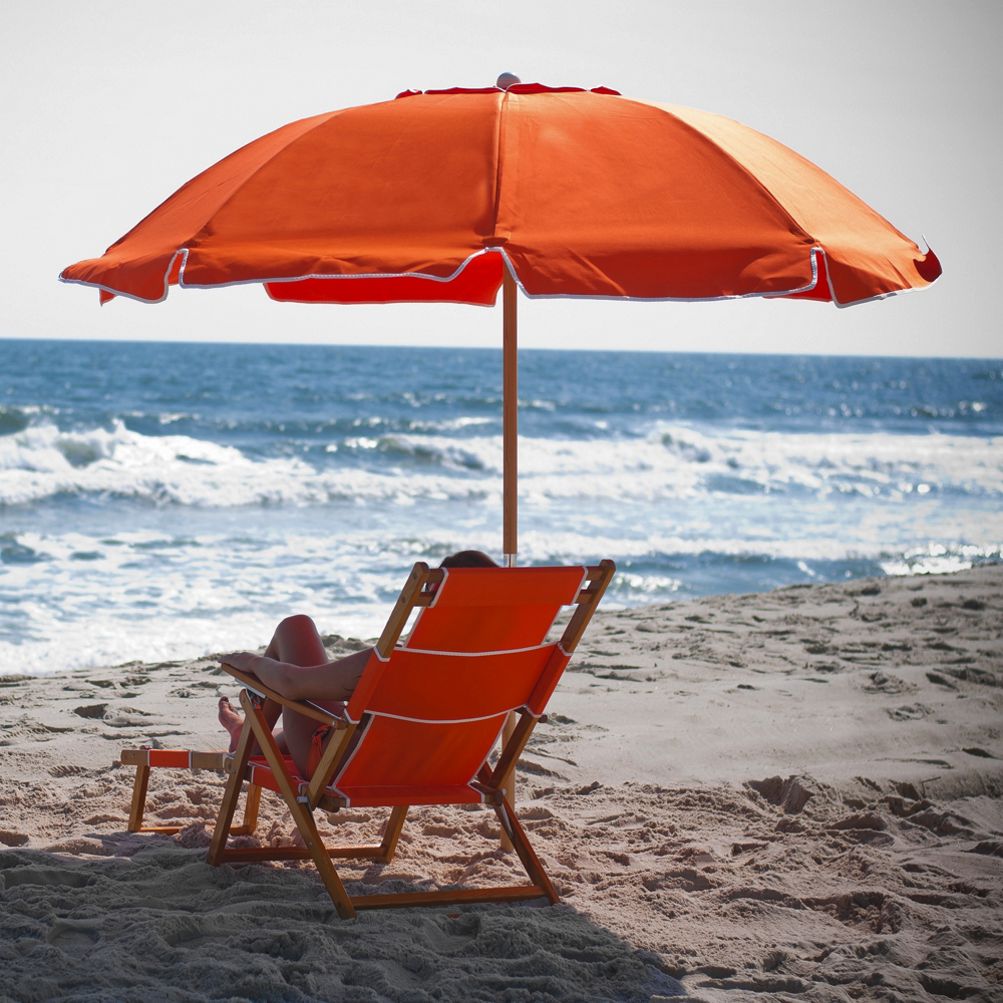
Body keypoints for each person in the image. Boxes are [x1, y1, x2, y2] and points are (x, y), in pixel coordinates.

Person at [217, 550, 498, 776]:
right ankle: (247, 734)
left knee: (296, 627)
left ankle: (249, 743)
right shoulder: (503, 672)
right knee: (345, 721)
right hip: (440, 769)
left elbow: (290, 685)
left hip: (337, 767)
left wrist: (251, 661)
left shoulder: (394, 664)